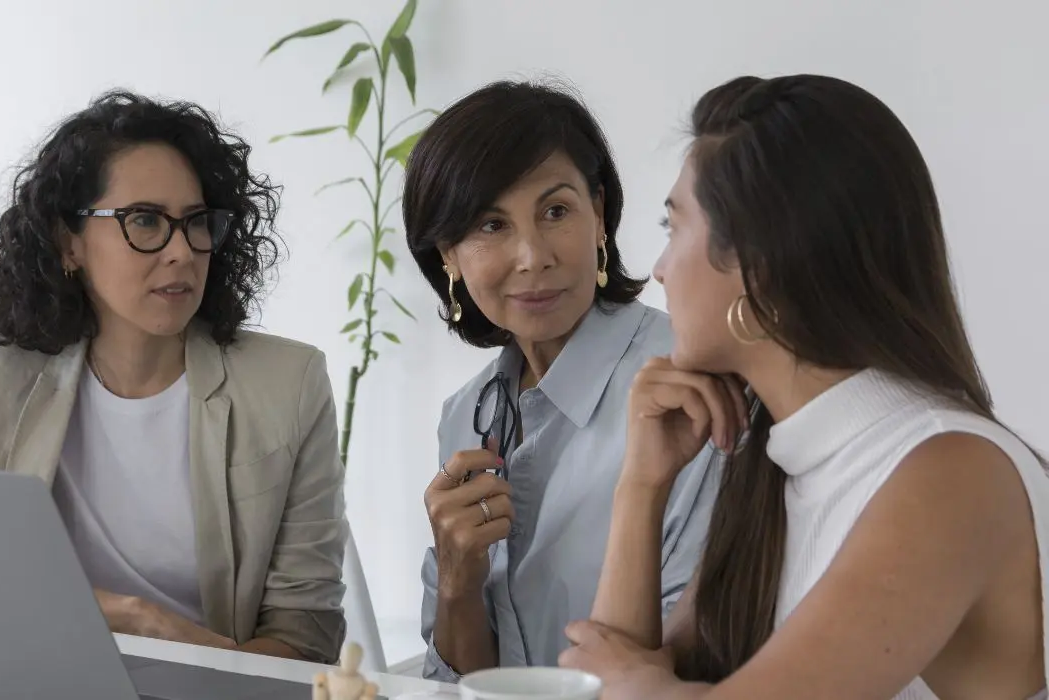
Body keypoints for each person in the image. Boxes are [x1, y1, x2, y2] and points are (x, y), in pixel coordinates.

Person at [559, 74, 1049, 700]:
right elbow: (604, 680)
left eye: (672, 227)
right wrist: (642, 485)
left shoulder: (950, 471)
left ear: (759, 271)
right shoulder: (779, 470)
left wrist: (639, 684)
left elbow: (622, 682)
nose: (657, 270)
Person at [0, 90, 348, 664]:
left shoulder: (288, 384)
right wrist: (131, 617)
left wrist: (191, 657)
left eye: (196, 223)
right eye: (145, 221)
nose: (180, 251)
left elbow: (307, 637)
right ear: (68, 241)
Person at [402, 80, 722, 682]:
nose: (531, 256)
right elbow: (468, 687)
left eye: (555, 211)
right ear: (448, 254)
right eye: (490, 226)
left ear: (598, 215)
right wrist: (456, 587)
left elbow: (693, 663)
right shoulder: (464, 416)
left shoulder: (689, 385)